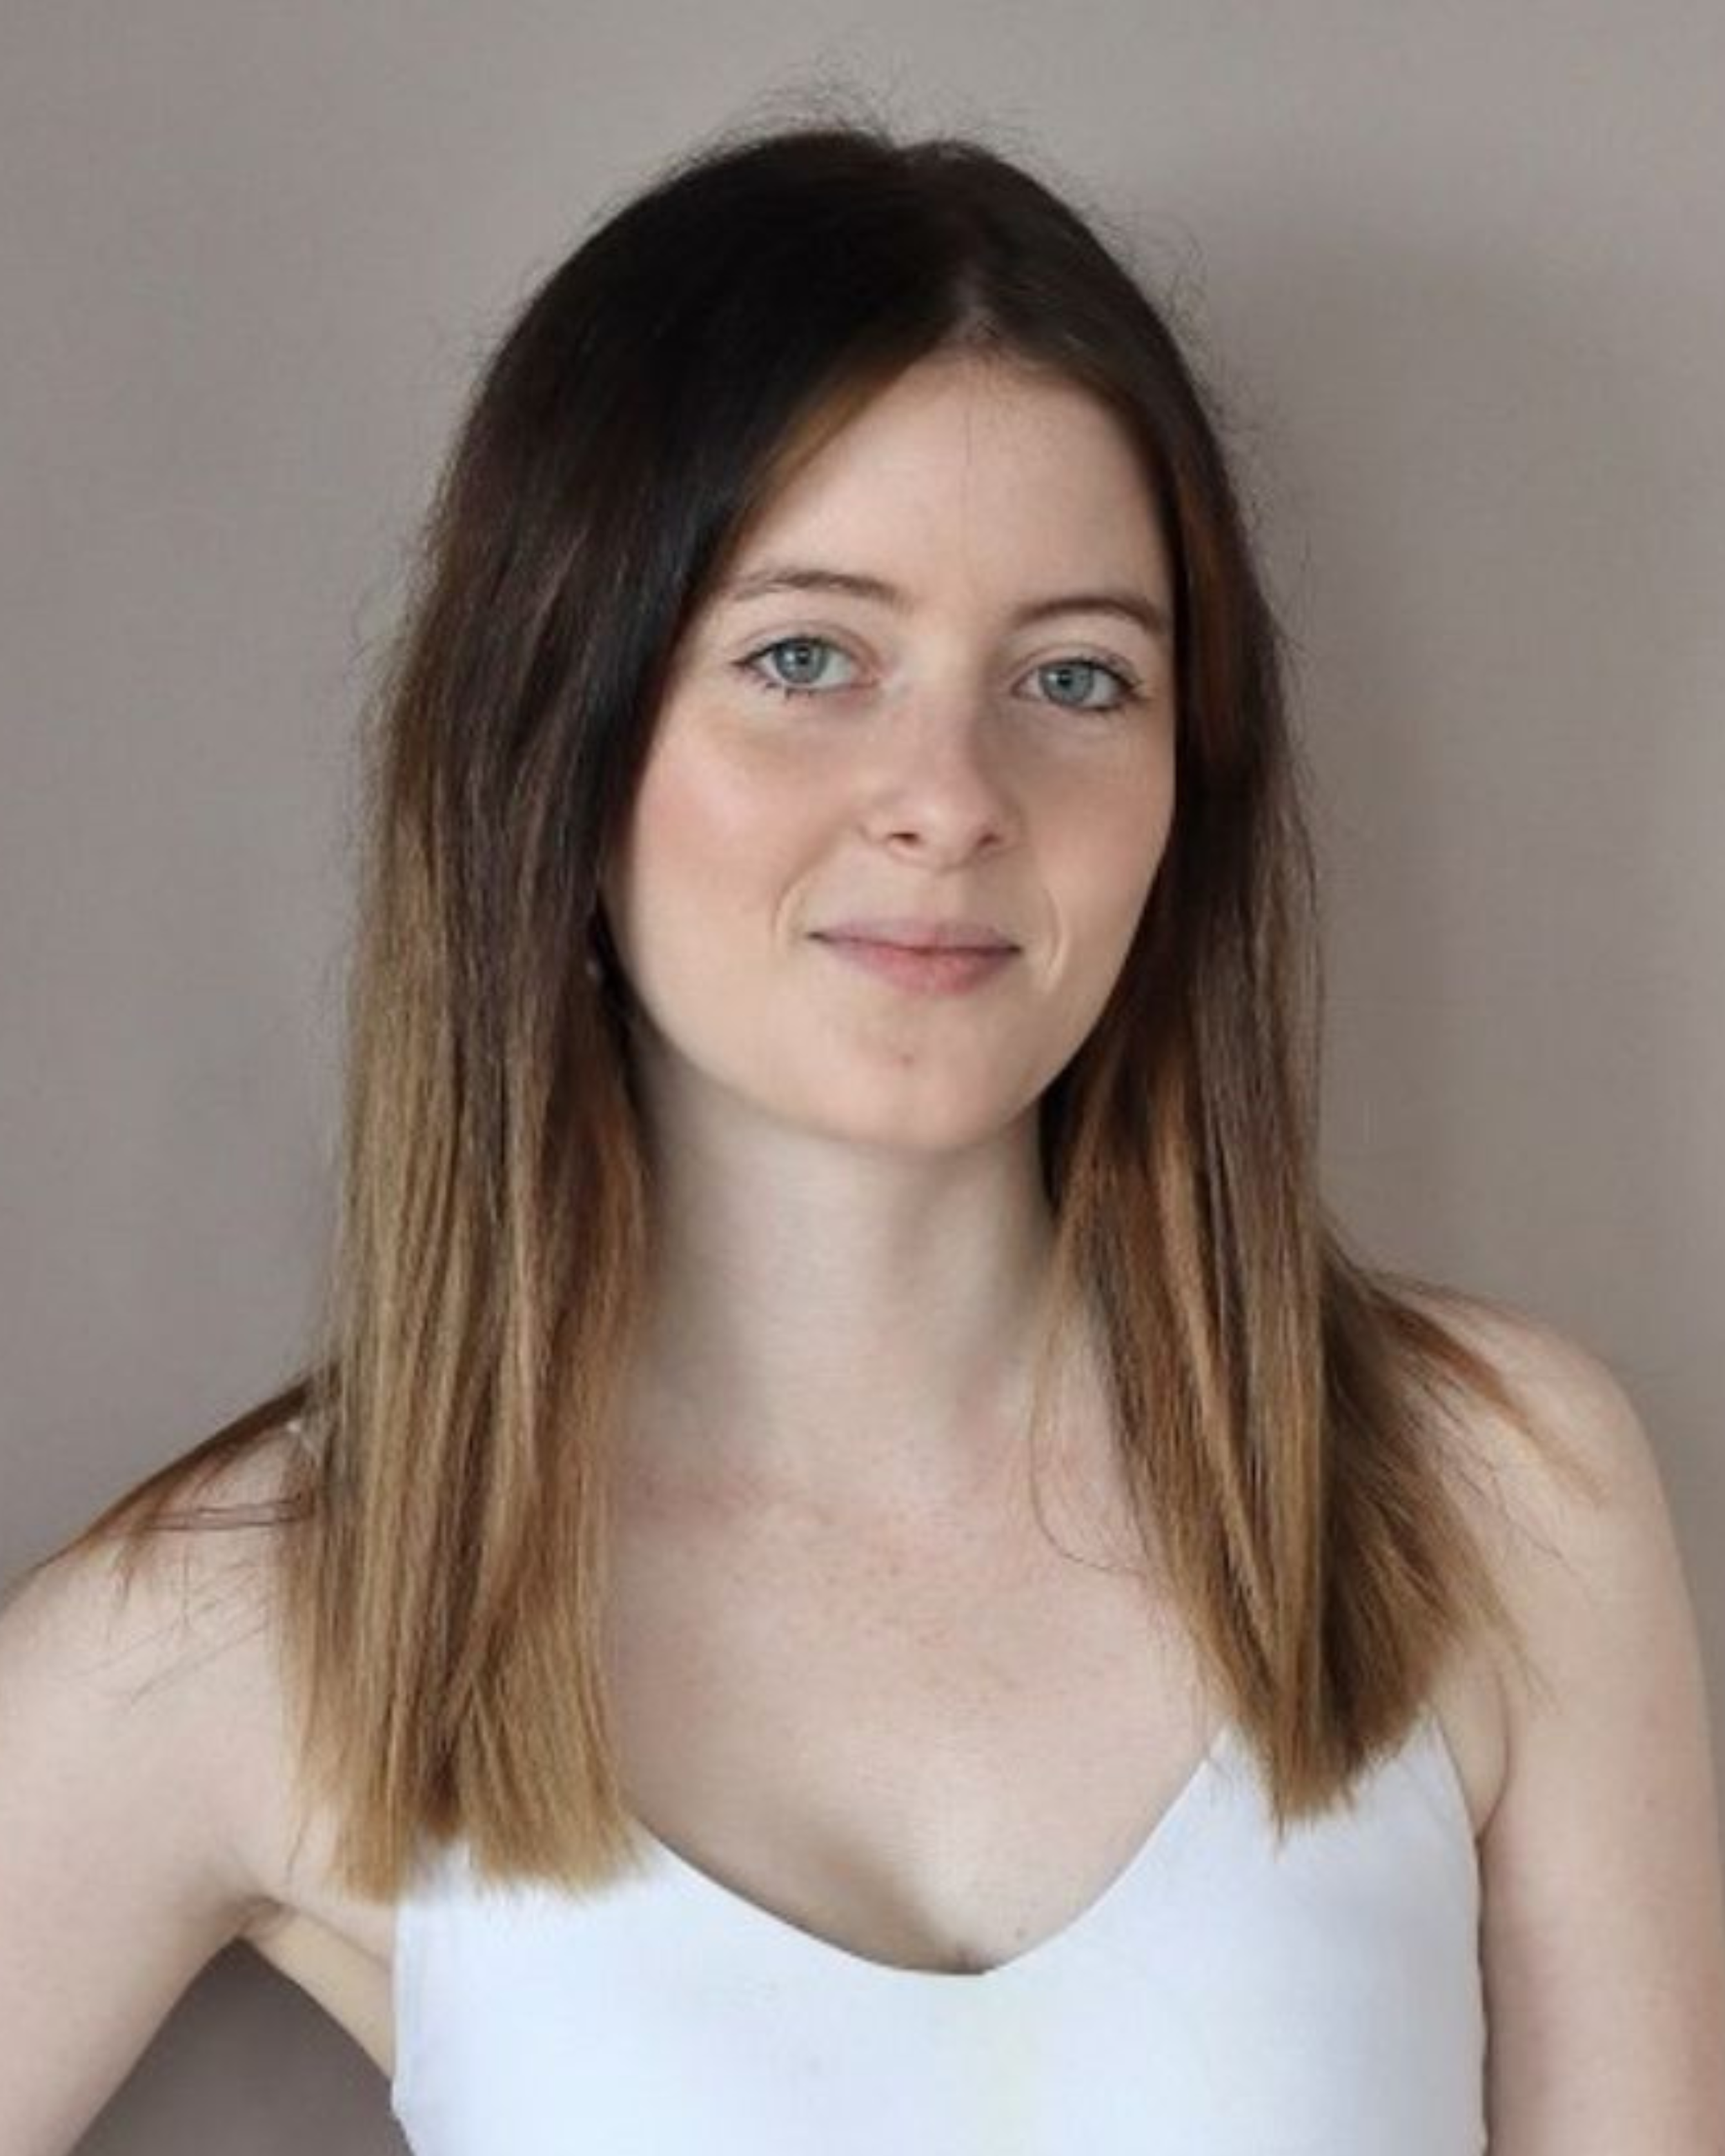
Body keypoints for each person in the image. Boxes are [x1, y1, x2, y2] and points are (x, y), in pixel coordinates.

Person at [1, 112, 1722, 2156]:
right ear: (558, 748)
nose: (951, 796)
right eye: (804, 657)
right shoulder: (272, 1620)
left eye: (1075, 676)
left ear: (1187, 788)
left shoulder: (1494, 1496)